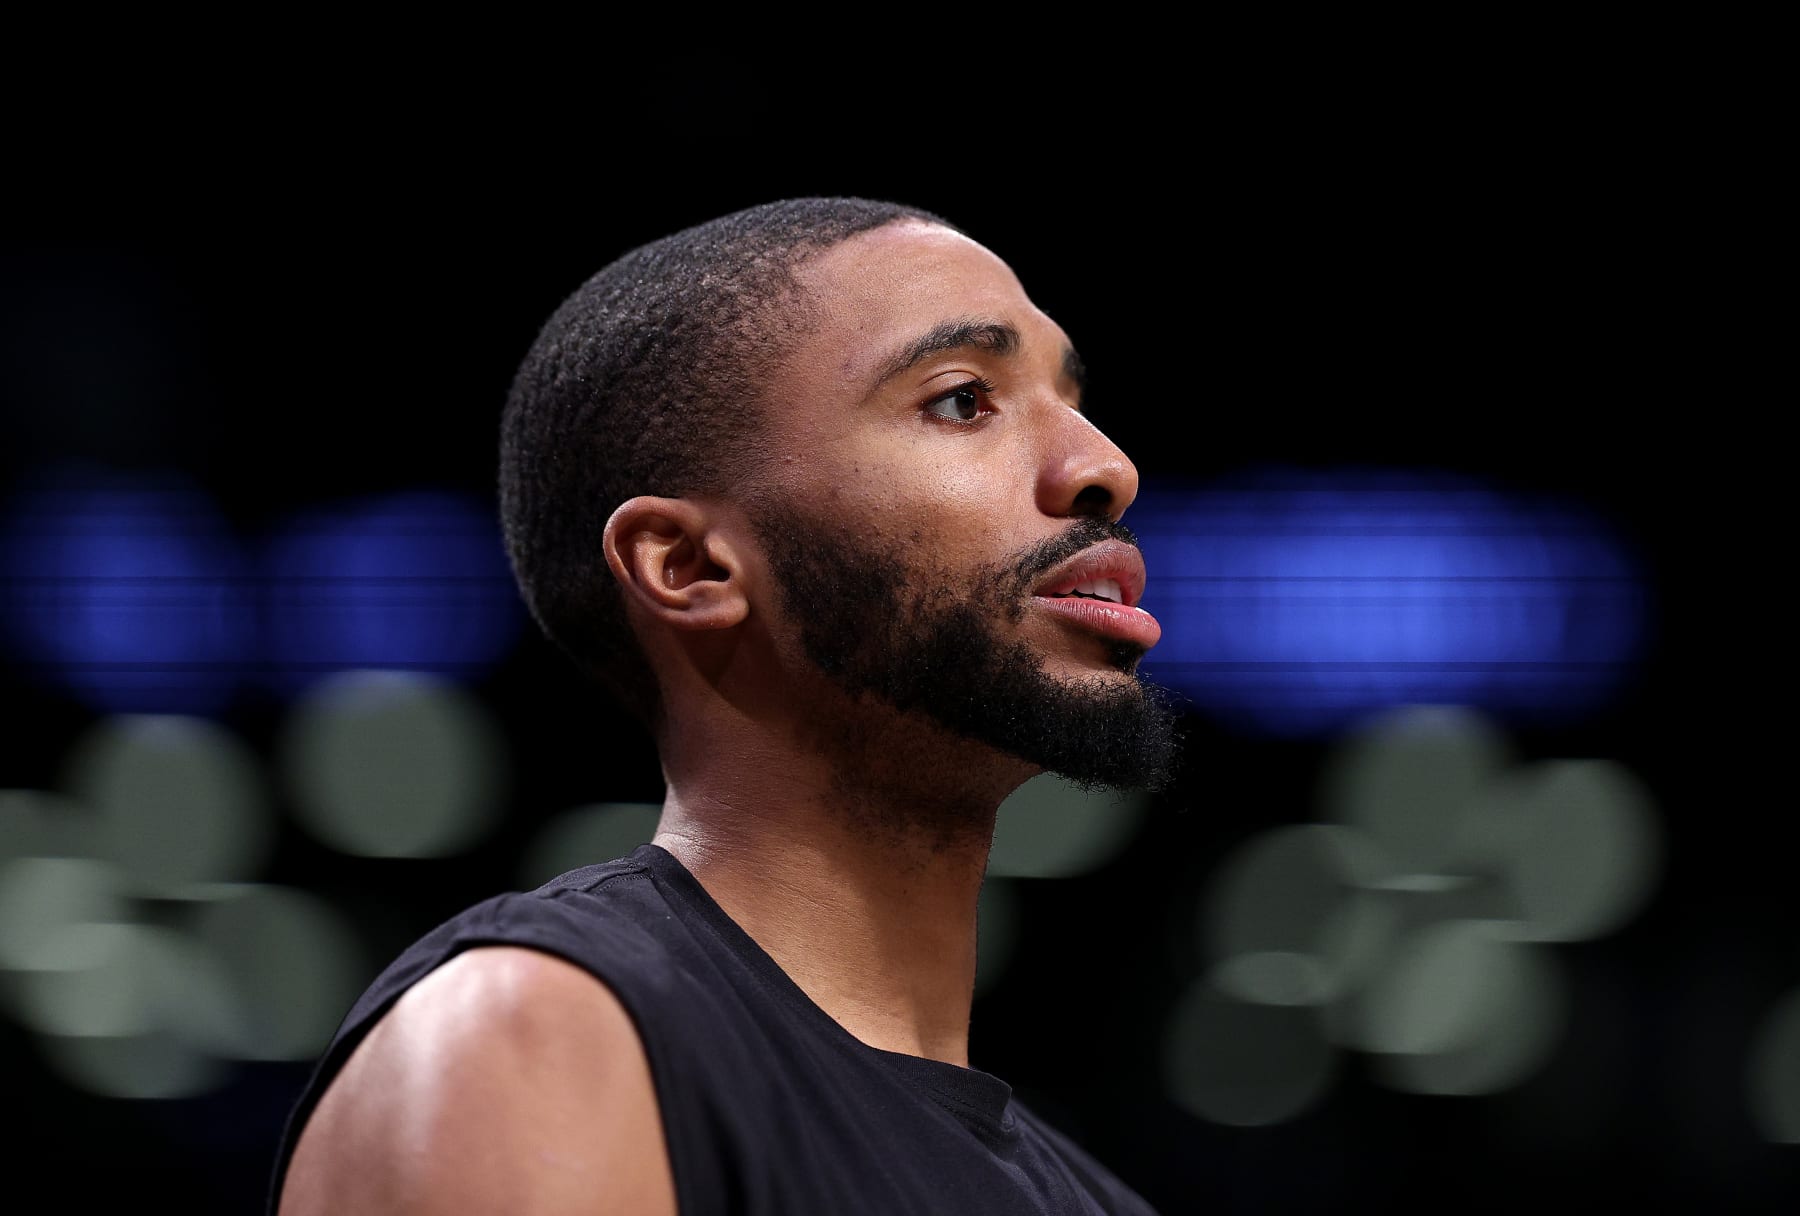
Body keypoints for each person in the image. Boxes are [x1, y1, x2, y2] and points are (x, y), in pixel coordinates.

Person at [270, 197, 1182, 1215]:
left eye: (1071, 397)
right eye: (965, 399)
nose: (1105, 466)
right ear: (691, 566)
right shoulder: (536, 1037)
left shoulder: (1099, 1202)